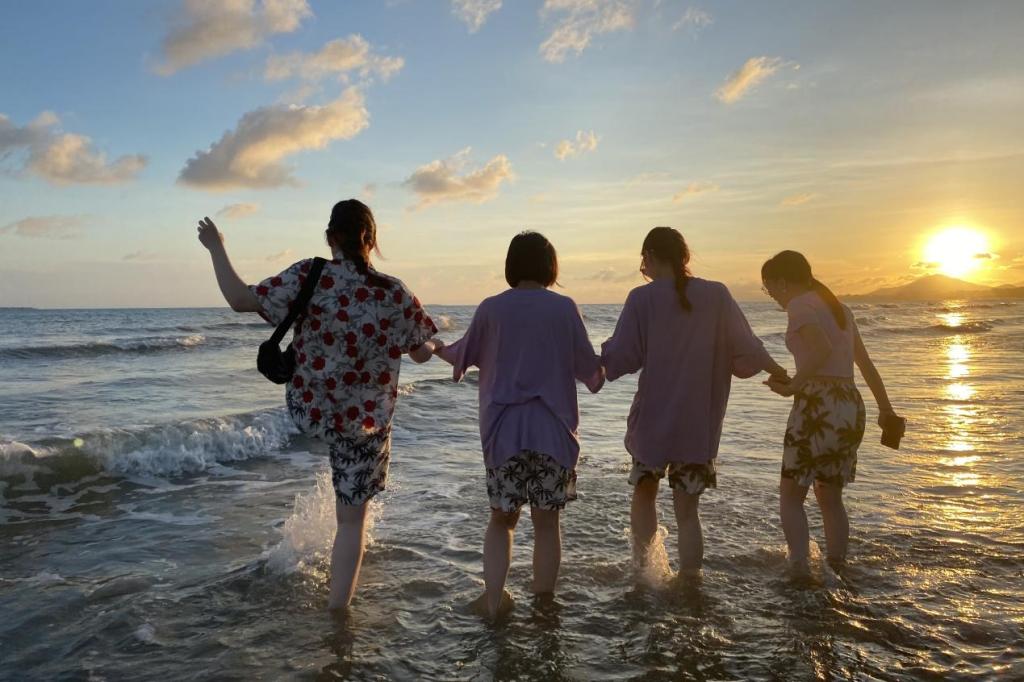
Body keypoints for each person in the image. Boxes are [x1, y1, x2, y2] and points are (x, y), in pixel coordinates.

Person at [196, 199, 442, 610]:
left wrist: (216, 246)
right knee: (352, 521)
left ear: (331, 238)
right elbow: (419, 353)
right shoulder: (393, 291)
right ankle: (338, 610)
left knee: (333, 442)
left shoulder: (310, 274)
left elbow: (240, 299)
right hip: (364, 422)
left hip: (310, 408)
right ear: (372, 240)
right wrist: (436, 345)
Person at [601, 227, 788, 577]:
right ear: (684, 257)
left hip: (653, 423)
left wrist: (589, 365)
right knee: (688, 512)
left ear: (650, 256)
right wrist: (781, 373)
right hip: (699, 425)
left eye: (644, 260)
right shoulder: (717, 294)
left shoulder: (641, 299)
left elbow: (622, 356)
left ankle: (643, 574)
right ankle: (690, 583)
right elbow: (748, 346)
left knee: (644, 495)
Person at [436, 231, 604, 620]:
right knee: (546, 522)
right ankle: (543, 608)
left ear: (511, 265)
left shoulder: (491, 308)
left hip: (504, 434)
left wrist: (434, 346)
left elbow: (461, 354)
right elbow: (589, 370)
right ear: (550, 267)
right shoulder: (564, 308)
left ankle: (494, 601)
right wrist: (616, 355)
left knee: (502, 519)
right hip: (554, 434)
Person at [761, 250, 900, 573]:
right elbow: (865, 365)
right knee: (830, 497)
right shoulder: (840, 309)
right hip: (849, 405)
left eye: (769, 288)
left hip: (817, 406)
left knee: (791, 496)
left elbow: (821, 349)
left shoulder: (799, 305)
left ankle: (799, 569)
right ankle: (837, 567)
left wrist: (794, 386)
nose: (772, 296)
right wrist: (886, 409)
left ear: (782, 281)